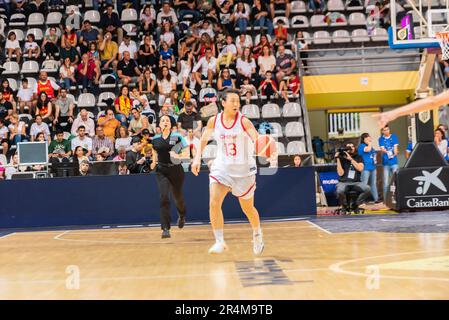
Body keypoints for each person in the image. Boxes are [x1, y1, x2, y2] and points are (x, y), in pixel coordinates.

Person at [191, 89, 265, 255]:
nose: (236, 104)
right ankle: (219, 241)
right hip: (222, 168)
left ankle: (257, 233)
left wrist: (263, 145)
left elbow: (257, 138)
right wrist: (196, 159)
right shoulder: (213, 121)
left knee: (248, 209)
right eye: (232, 101)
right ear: (223, 103)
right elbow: (203, 140)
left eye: (238, 101)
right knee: (214, 202)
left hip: (243, 170)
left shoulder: (244, 122)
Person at [151, 115, 189, 239]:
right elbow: (154, 151)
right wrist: (153, 161)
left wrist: (178, 156)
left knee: (178, 198)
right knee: (164, 197)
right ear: (159, 124)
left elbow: (187, 153)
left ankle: (182, 215)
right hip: (162, 170)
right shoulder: (155, 139)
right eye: (162, 120)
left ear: (171, 124)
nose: (165, 122)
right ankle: (165, 229)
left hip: (176, 170)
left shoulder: (178, 137)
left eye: (167, 120)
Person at [335, 143, 371, 214]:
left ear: (355, 148)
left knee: (367, 188)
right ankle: (345, 206)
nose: (351, 148)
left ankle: (355, 204)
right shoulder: (342, 158)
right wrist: (338, 159)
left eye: (352, 146)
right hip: (343, 182)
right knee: (339, 190)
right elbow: (340, 173)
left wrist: (351, 159)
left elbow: (360, 169)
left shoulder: (359, 157)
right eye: (348, 147)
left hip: (356, 182)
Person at [378, 125, 399, 200]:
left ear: (389, 130)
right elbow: (382, 149)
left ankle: (396, 197)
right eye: (384, 130)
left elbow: (396, 148)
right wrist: (388, 152)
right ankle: (386, 199)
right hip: (385, 163)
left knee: (395, 181)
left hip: (394, 162)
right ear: (382, 131)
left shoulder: (394, 137)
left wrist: (395, 153)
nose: (386, 131)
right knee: (386, 183)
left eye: (387, 129)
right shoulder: (381, 139)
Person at [358, 133, 379, 203]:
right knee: (364, 185)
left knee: (373, 184)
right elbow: (367, 150)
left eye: (369, 137)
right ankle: (360, 201)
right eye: (367, 137)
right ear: (364, 139)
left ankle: (376, 199)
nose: (369, 138)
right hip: (365, 168)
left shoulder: (371, 147)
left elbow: (373, 155)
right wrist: (369, 143)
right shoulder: (361, 146)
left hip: (372, 167)